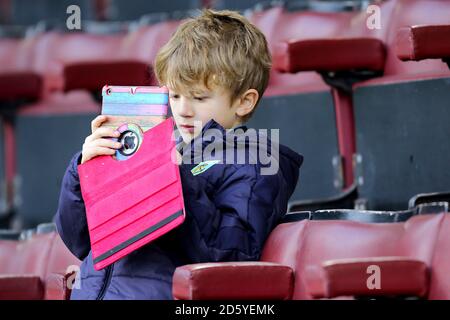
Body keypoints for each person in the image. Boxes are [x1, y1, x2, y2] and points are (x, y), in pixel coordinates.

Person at [55, 9, 303, 300]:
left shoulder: (256, 164)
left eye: (199, 97)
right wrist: (86, 171)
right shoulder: (164, 150)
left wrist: (169, 174)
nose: (183, 109)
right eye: (174, 95)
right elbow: (81, 241)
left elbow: (229, 257)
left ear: (244, 101)